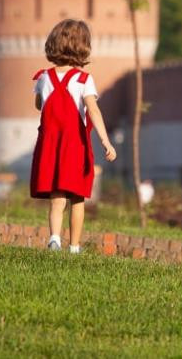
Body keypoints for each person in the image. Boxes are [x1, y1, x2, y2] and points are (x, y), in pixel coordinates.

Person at [30, 19, 117, 253]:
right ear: (83, 47)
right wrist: (105, 141)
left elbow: (39, 105)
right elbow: (94, 110)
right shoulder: (83, 80)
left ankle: (54, 239)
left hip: (51, 144)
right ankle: (75, 247)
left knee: (56, 196)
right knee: (77, 197)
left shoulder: (43, 78)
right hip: (75, 145)